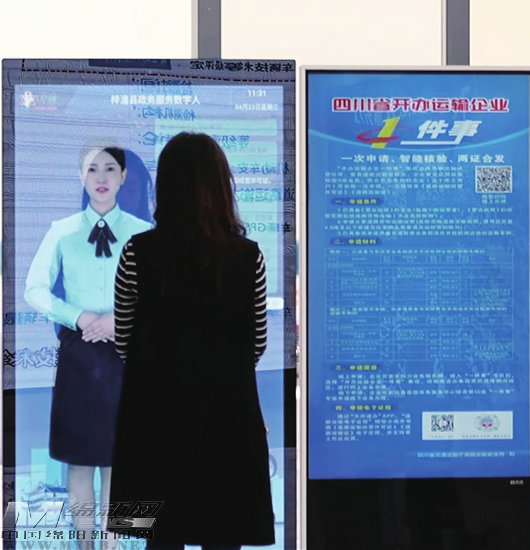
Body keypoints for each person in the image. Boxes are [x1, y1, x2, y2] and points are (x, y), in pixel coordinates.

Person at [109, 132, 274, 550]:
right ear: (222, 186)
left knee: (157, 538)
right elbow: (256, 345)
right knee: (225, 534)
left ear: (164, 187)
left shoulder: (136, 253)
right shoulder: (249, 256)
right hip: (228, 423)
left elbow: (125, 342)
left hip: (152, 423)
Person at [24, 144, 152, 546]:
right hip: (79, 356)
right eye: (92, 169)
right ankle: (85, 545)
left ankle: (117, 543)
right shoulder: (61, 230)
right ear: (81, 177)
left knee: (122, 459)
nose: (101, 177)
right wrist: (79, 317)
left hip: (128, 355)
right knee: (79, 461)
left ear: (124, 177)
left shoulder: (143, 232)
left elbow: (160, 294)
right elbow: (34, 290)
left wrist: (119, 319)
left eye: (110, 169)